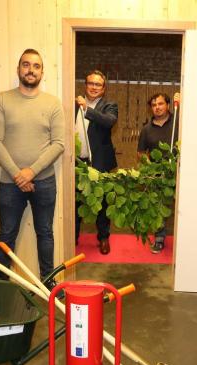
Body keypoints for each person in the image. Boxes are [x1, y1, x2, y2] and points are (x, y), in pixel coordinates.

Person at [0, 48, 64, 290]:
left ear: (42, 72)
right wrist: (17, 175)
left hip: (45, 181)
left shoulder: (53, 104)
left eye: (36, 66)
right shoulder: (1, 100)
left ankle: (48, 286)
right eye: (26, 65)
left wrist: (31, 172)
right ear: (18, 69)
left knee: (45, 234)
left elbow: (59, 144)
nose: (31, 70)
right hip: (10, 183)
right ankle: (1, 288)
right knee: (6, 235)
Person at [75, 70, 118, 255]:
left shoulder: (109, 105)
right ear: (85, 85)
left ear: (103, 88)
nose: (93, 87)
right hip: (77, 162)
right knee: (75, 202)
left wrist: (87, 109)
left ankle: (103, 238)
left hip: (100, 162)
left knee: (101, 203)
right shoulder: (73, 104)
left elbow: (109, 122)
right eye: (90, 83)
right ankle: (72, 238)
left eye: (98, 84)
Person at [137, 92, 180, 254]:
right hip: (158, 176)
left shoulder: (178, 122)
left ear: (167, 105)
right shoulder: (146, 130)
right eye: (154, 105)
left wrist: (182, 104)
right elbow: (141, 153)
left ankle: (186, 238)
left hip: (179, 173)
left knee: (182, 207)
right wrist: (149, 169)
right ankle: (160, 238)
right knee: (159, 207)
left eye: (160, 104)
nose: (157, 107)